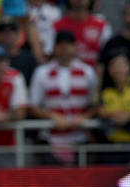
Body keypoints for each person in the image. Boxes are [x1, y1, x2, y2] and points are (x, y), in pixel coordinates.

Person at [30, 31, 97, 166]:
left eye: (68, 44)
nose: (64, 48)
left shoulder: (88, 72)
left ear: (75, 47)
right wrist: (52, 116)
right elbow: (32, 106)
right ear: (55, 47)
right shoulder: (42, 73)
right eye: (61, 45)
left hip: (79, 136)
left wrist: (84, 117)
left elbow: (95, 104)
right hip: (50, 136)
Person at [95, 51, 130, 165]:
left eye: (122, 65)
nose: (118, 69)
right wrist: (115, 115)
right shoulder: (102, 85)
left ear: (128, 67)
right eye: (114, 65)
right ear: (109, 69)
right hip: (111, 142)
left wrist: (127, 116)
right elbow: (99, 109)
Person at [52, 0, 112, 67]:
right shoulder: (56, 25)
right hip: (63, 73)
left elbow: (107, 55)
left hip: (94, 72)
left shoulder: (102, 26)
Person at [0, 16, 38, 84]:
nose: (7, 34)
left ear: (18, 34)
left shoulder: (29, 59)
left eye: (12, 30)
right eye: (2, 31)